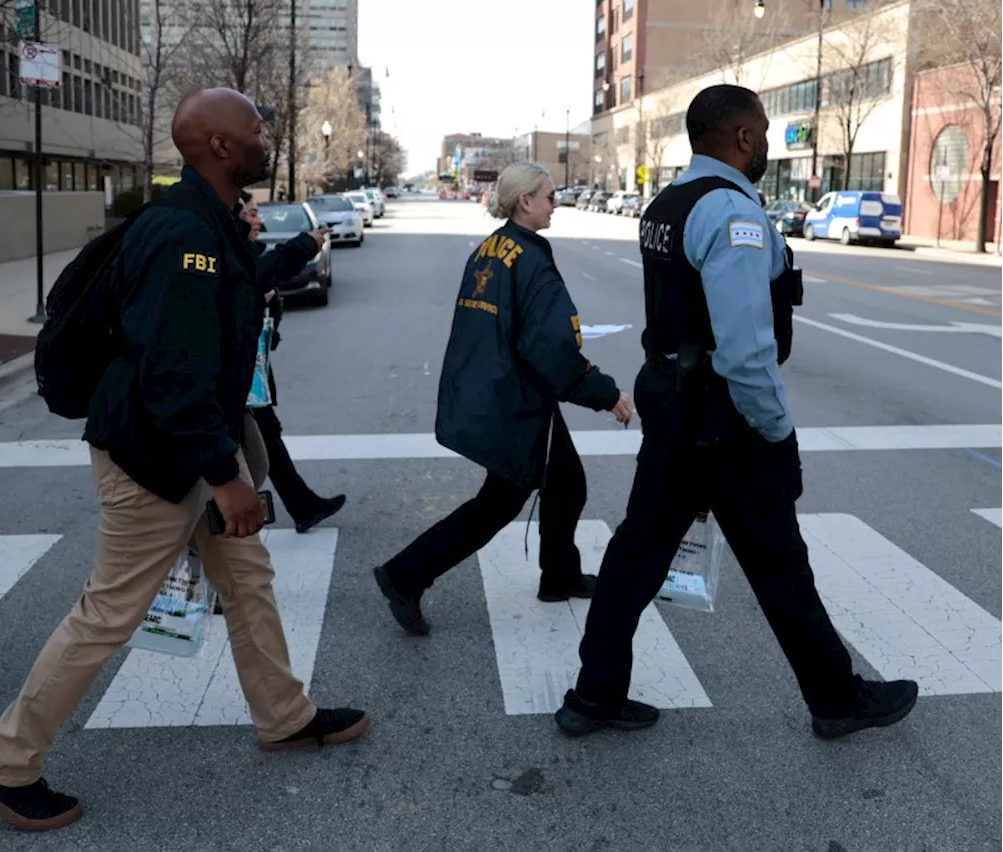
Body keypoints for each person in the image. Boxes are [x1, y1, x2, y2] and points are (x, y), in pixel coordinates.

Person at [0, 88, 369, 832]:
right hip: (155, 455)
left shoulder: (210, 226)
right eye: (255, 126)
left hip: (191, 445)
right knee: (110, 611)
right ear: (217, 146)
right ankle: (4, 762)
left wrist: (258, 252)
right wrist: (224, 477)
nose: (265, 134)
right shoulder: (182, 234)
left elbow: (215, 331)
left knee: (248, 583)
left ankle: (285, 714)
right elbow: (172, 370)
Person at [557, 84, 918, 740]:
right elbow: (747, 350)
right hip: (723, 417)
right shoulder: (731, 213)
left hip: (672, 399)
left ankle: (593, 695)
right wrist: (778, 431)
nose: (769, 148)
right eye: (765, 135)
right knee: (779, 562)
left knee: (636, 551)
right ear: (743, 138)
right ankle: (837, 699)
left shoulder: (667, 202)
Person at [372, 162, 633, 636]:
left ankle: (559, 575)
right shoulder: (531, 257)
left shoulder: (491, 248)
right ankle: (404, 575)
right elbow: (550, 349)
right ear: (525, 201)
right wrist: (607, 393)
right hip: (516, 397)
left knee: (566, 484)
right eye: (550, 197)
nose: (557, 205)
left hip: (496, 388)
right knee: (497, 505)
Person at [236, 191, 346, 534]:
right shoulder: (238, 263)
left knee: (267, 435)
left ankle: (303, 505)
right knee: (260, 440)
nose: (259, 221)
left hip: (251, 375)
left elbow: (266, 331)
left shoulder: (250, 259)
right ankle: (294, 505)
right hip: (236, 379)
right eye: (252, 214)